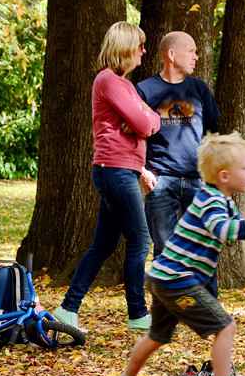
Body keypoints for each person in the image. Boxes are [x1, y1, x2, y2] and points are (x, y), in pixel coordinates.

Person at [101, 132, 245, 376]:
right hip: (179, 281)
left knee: (157, 336)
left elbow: (237, 226)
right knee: (225, 327)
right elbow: (223, 229)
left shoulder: (220, 200)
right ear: (225, 176)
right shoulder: (209, 200)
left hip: (165, 278)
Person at [52, 22, 162, 332]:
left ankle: (67, 309)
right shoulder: (108, 81)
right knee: (140, 240)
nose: (143, 50)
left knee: (102, 244)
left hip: (120, 169)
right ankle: (138, 315)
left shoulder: (124, 85)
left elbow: (150, 120)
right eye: (139, 45)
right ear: (126, 47)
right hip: (114, 171)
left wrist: (144, 119)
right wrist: (141, 120)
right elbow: (143, 123)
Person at [136, 32, 221, 263]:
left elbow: (213, 134)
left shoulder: (200, 89)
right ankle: (166, 300)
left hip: (197, 181)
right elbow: (133, 137)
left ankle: (199, 299)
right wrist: (143, 172)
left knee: (203, 251)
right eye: (192, 51)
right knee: (165, 254)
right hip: (161, 181)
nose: (197, 56)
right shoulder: (144, 90)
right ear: (172, 54)